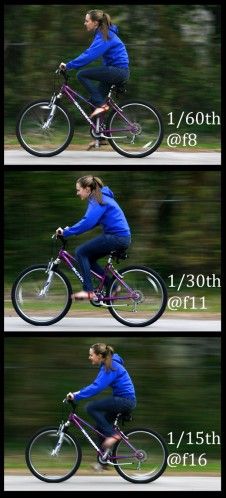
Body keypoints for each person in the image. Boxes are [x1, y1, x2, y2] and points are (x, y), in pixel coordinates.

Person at [59, 10, 130, 149]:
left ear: (95, 22)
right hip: (115, 71)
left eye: (87, 21)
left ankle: (102, 105)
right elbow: (90, 53)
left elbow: (90, 55)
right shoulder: (102, 34)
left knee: (82, 75)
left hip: (118, 71)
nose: (84, 23)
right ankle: (101, 137)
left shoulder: (106, 35)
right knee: (93, 101)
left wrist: (69, 65)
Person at [56, 175, 131, 301]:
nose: (77, 192)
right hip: (120, 237)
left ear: (87, 189)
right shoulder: (101, 198)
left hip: (117, 237)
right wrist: (69, 230)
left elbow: (88, 222)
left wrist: (66, 233)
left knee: (80, 252)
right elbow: (92, 222)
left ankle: (88, 291)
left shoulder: (97, 200)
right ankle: (112, 286)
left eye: (78, 189)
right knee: (88, 259)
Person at [66, 343, 136, 453]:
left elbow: (96, 387)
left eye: (91, 355)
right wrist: (77, 394)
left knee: (91, 407)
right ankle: (103, 461)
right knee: (100, 427)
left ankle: (113, 435)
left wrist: (76, 395)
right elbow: (95, 385)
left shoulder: (111, 366)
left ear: (99, 356)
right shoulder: (108, 365)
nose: (89, 357)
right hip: (123, 400)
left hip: (125, 401)